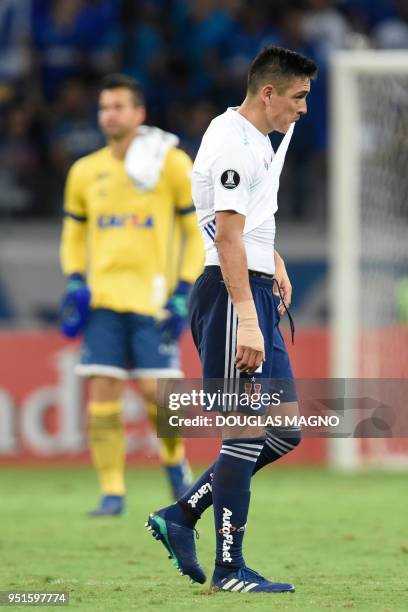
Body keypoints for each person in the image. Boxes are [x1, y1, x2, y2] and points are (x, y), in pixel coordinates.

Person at [146, 46, 317, 593]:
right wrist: (246, 314)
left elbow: (250, 223)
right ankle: (229, 568)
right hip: (229, 293)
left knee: (285, 429)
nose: (304, 108)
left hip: (256, 285)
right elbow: (225, 233)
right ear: (268, 93)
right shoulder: (230, 142)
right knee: (243, 431)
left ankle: (182, 514)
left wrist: (275, 262)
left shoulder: (256, 142)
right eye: (298, 96)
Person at [60, 74, 204, 516]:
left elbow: (194, 229)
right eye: (105, 107)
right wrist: (74, 281)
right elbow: (73, 233)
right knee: (102, 392)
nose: (110, 114)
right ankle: (112, 491)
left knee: (157, 394)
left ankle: (175, 464)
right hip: (104, 300)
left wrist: (183, 289)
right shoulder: (85, 171)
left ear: (139, 114)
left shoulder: (171, 163)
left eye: (119, 106)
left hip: (154, 300)